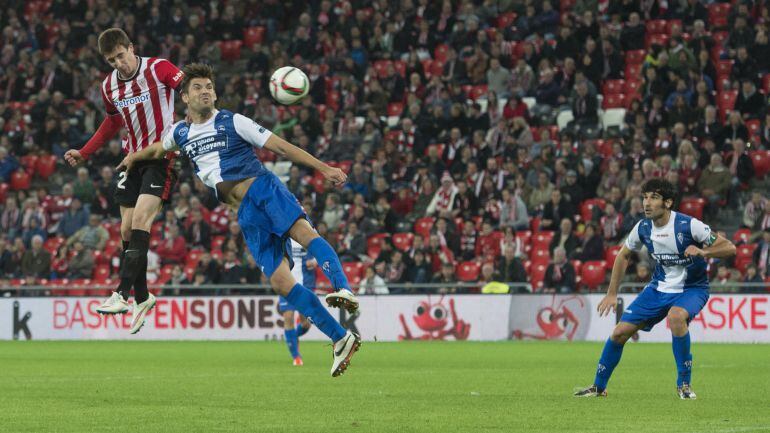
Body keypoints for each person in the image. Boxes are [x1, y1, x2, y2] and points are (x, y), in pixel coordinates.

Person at [118, 63, 360, 376]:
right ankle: (341, 338)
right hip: (245, 214)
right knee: (280, 281)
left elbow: (281, 146)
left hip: (262, 189)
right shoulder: (180, 132)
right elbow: (158, 149)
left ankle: (343, 288)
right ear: (185, 98)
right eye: (198, 88)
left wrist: (324, 169)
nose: (205, 91)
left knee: (303, 234)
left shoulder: (232, 121)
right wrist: (133, 157)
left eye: (209, 87)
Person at [63, 28, 184, 325]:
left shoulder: (158, 68)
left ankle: (122, 293)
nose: (119, 63)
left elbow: (188, 86)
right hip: (131, 161)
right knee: (127, 231)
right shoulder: (108, 87)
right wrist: (85, 151)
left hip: (160, 157)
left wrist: (193, 118)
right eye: (111, 60)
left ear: (131, 48)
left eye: (121, 55)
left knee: (141, 221)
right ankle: (143, 297)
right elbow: (112, 122)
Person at [575, 179, 736, 399]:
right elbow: (623, 255)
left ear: (668, 202)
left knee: (676, 317)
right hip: (658, 288)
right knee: (619, 333)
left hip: (692, 288)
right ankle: (598, 387)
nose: (646, 203)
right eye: (644, 197)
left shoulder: (689, 225)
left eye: (653, 197)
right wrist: (612, 293)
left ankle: (684, 385)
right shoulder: (642, 227)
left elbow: (730, 247)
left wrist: (704, 252)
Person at [278, 239, 315, 366]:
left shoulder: (305, 233)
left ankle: (292, 337)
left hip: (305, 285)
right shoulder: (281, 236)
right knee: (288, 317)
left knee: (306, 324)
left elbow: (321, 254)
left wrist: (315, 262)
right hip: (285, 283)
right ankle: (296, 357)